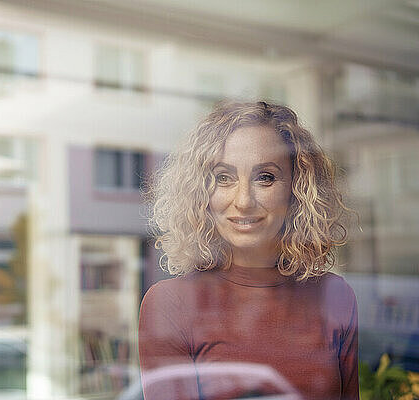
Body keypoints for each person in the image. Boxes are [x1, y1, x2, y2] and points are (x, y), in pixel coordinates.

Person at [138, 100, 359, 400]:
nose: (243, 201)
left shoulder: (335, 296)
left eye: (265, 177)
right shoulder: (171, 303)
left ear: (296, 188)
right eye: (223, 178)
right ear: (201, 191)